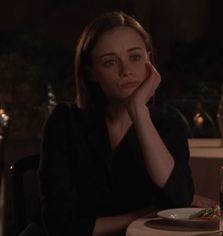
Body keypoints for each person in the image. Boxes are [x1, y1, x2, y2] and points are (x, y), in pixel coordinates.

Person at [39, 11, 195, 236]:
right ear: (91, 73)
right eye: (110, 62)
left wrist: (139, 111)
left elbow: (178, 202)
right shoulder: (64, 123)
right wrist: (146, 214)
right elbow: (61, 227)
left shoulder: (168, 126)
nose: (126, 70)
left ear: (149, 61)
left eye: (135, 57)